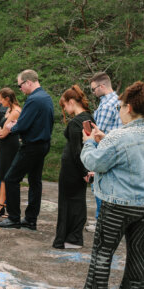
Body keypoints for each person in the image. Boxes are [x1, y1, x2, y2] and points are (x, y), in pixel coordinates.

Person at [63, 82, 144, 289]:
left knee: (102, 253)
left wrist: (89, 141)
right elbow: (135, 154)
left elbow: (93, 162)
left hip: (119, 204)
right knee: (139, 252)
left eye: (120, 107)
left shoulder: (120, 136)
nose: (119, 111)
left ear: (128, 107)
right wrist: (104, 138)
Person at [0, 70, 54, 230]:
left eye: (20, 85)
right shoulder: (46, 97)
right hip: (43, 144)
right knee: (35, 181)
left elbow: (22, 124)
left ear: (28, 82)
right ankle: (30, 219)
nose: (20, 89)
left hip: (32, 146)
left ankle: (13, 218)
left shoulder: (33, 99)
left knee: (11, 179)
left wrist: (11, 127)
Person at [53, 85, 94, 249]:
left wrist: (84, 171)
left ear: (71, 101)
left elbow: (78, 150)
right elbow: (87, 144)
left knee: (68, 203)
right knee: (76, 201)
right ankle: (72, 237)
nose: (64, 109)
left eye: (64, 105)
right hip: (78, 167)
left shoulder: (78, 122)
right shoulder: (87, 119)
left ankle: (70, 238)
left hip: (73, 168)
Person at [86, 72, 122, 231]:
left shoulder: (106, 106)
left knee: (100, 188)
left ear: (101, 86)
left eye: (93, 89)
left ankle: (102, 223)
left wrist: (91, 164)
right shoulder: (119, 100)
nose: (93, 93)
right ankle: (104, 221)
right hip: (118, 151)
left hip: (105, 150)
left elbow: (96, 134)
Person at [0, 88, 21, 216]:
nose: (0, 102)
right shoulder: (8, 110)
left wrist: (0, 132)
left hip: (10, 145)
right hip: (3, 144)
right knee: (2, 176)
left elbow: (4, 132)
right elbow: (1, 129)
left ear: (7, 99)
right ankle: (0, 206)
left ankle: (7, 207)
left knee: (7, 176)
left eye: (1, 99)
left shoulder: (16, 111)